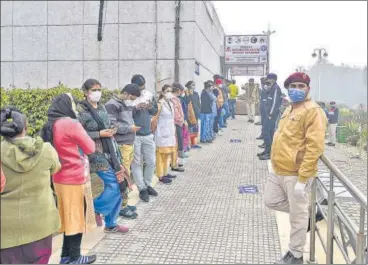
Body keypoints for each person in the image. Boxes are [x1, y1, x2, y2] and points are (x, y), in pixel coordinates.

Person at [264, 72, 327, 264]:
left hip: (296, 173)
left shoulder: (313, 111)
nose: (297, 90)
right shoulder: (290, 108)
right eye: (294, 86)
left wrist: (303, 178)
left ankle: (295, 255)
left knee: (297, 217)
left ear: (308, 89)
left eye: (301, 86)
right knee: (271, 200)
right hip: (279, 169)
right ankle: (312, 211)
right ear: (288, 89)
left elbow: (314, 147)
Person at [41, 93, 97, 264]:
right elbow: (91, 147)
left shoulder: (51, 124)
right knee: (76, 219)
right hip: (75, 178)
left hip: (58, 178)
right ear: (67, 106)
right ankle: (74, 257)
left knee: (66, 218)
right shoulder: (70, 123)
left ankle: (65, 256)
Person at [0, 107, 61, 264]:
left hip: (5, 230)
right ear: (26, 127)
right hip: (41, 224)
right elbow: (56, 169)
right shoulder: (47, 150)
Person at [77, 78, 129, 233]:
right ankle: (94, 208)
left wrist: (111, 130)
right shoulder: (81, 111)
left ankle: (111, 223)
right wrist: (99, 133)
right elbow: (78, 134)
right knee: (113, 184)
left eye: (99, 89)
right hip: (95, 153)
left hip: (110, 150)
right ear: (86, 92)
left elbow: (106, 126)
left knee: (121, 186)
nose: (97, 93)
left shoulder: (102, 108)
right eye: (94, 90)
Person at [105, 84, 141, 219]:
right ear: (125, 93)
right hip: (121, 144)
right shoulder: (112, 105)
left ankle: (124, 203)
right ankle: (122, 207)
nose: (131, 100)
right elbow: (112, 125)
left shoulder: (125, 104)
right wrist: (129, 129)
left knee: (127, 174)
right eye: (131, 97)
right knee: (122, 176)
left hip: (128, 143)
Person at [131, 74, 159, 203]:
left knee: (151, 161)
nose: (141, 90)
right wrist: (136, 108)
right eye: (139, 88)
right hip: (134, 135)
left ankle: (148, 185)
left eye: (143, 87)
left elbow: (154, 111)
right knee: (136, 163)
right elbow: (126, 114)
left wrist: (150, 107)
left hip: (148, 134)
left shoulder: (149, 94)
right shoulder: (129, 97)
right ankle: (141, 188)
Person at [151, 85, 177, 184]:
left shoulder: (170, 103)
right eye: (167, 91)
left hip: (170, 131)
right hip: (162, 132)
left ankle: (166, 172)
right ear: (162, 92)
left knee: (168, 153)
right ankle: (160, 174)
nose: (169, 93)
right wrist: (154, 131)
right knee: (160, 155)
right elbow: (154, 119)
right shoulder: (159, 104)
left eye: (170, 91)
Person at [258, 73, 282, 160]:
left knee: (265, 132)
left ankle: (269, 153)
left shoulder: (276, 88)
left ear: (273, 79)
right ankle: (268, 150)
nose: (267, 81)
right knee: (270, 133)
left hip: (271, 115)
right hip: (267, 114)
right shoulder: (271, 87)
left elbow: (275, 103)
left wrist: (270, 114)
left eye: (269, 79)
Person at [173, 83, 190, 156]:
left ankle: (182, 150)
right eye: (181, 91)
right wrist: (182, 120)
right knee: (179, 136)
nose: (182, 92)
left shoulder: (180, 98)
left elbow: (186, 105)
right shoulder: (175, 99)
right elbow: (178, 112)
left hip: (181, 119)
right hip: (178, 121)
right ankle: (180, 152)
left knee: (181, 135)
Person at [171, 85, 186, 170]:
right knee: (177, 141)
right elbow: (176, 113)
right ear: (178, 90)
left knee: (178, 141)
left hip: (178, 122)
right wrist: (181, 119)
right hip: (176, 122)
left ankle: (176, 161)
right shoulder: (173, 99)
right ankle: (175, 163)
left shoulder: (176, 99)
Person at [185, 81, 201, 149]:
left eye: (194, 85)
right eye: (192, 85)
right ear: (188, 86)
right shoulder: (186, 93)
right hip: (189, 114)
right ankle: (189, 144)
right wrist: (189, 94)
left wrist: (199, 111)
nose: (194, 86)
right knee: (190, 129)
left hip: (196, 113)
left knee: (195, 129)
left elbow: (198, 103)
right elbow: (186, 101)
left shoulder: (196, 93)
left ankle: (194, 143)